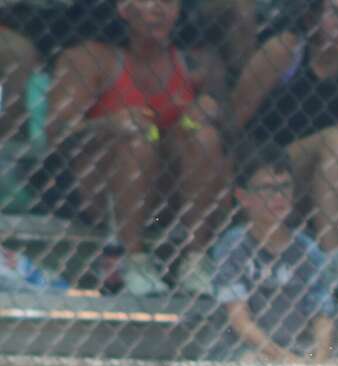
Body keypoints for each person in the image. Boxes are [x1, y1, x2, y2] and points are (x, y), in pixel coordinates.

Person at [46, 0, 228, 296]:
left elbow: (234, 131)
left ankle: (196, 260)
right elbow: (56, 133)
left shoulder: (196, 63)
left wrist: (210, 110)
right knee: (137, 140)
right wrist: (108, 124)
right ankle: (132, 259)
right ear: (123, 8)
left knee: (204, 136)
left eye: (168, 2)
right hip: (100, 189)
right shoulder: (89, 58)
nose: (158, 9)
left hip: (166, 194)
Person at [233, 0, 338, 265]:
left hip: (333, 187)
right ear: (311, 18)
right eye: (333, 12)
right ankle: (331, 263)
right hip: (278, 171)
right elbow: (236, 120)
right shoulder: (284, 50)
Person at [207, 141, 336, 366]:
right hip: (238, 350)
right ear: (244, 197)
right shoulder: (233, 246)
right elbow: (240, 322)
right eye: (266, 189)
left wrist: (318, 363)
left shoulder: (306, 249)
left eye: (284, 187)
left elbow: (322, 315)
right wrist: (288, 362)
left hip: (296, 351)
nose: (278, 197)